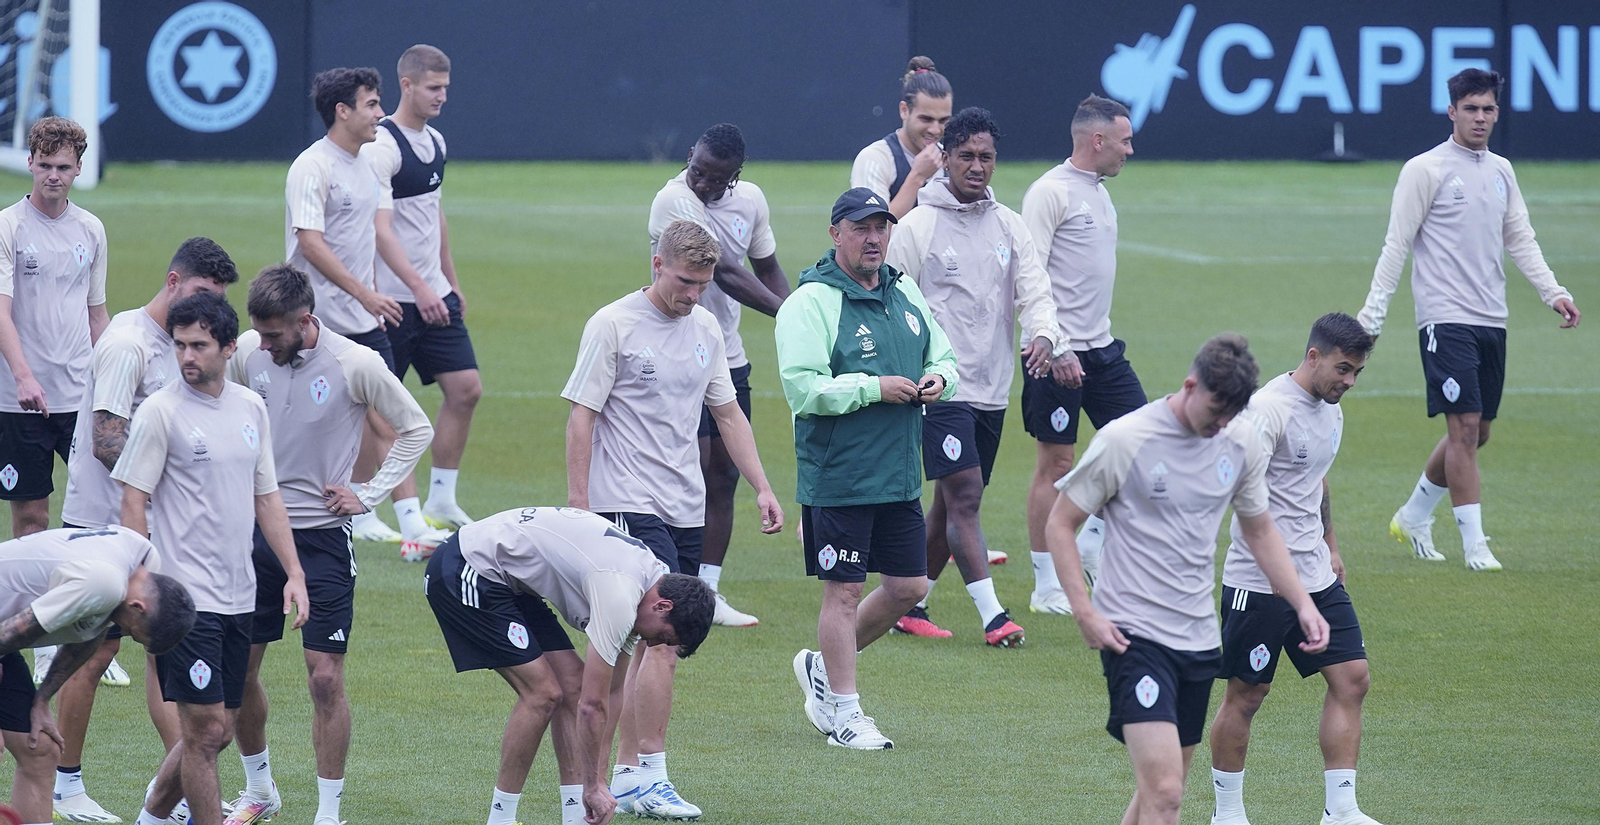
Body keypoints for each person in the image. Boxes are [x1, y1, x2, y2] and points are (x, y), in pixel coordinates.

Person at [1044, 334, 1329, 825]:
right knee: (1168, 791)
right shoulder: (1125, 439)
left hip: (1197, 639)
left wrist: (1303, 602)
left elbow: (1260, 528)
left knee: (1157, 791)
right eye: (1215, 410)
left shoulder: (1237, 442)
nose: (1220, 424)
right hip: (1133, 635)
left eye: (1230, 415)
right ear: (1189, 385)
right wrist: (1084, 610)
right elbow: (1059, 523)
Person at [562, 220, 782, 817]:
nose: (693, 294)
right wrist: (580, 507)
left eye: (704, 284)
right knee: (664, 638)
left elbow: (729, 415)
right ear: (657, 264)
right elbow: (581, 416)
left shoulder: (707, 325)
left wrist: (762, 486)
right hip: (626, 501)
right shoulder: (613, 324)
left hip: (686, 505)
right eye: (685, 281)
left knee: (654, 643)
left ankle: (625, 774)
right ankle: (645, 775)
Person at [223, 264, 433, 825]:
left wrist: (369, 494)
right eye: (258, 334)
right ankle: (259, 788)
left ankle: (329, 812)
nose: (263, 346)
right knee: (239, 671)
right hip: (254, 535)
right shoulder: (249, 353)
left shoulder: (355, 364)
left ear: (306, 321)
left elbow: (416, 427)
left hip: (321, 540)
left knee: (324, 677)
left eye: (274, 335)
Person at [1359, 68, 1580, 572]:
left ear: (1497, 113)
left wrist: (1553, 291)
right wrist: (1372, 316)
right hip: (1444, 318)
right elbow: (1397, 245)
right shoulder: (1425, 169)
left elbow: (1519, 237)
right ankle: (1475, 546)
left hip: (1491, 319)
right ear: (1452, 111)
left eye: (1488, 109)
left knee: (1477, 434)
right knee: (1463, 429)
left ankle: (1414, 515)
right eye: (1471, 109)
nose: (1480, 118)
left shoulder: (1501, 170)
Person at [49, 238, 238, 823]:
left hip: (148, 523)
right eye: (204, 295)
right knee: (93, 653)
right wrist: (181, 477)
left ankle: (180, 784)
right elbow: (108, 442)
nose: (209, 313)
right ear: (174, 280)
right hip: (101, 524)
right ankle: (66, 785)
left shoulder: (178, 345)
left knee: (165, 647)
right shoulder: (129, 345)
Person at [110, 293, 310, 825]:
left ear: (228, 347)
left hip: (240, 595)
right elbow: (133, 499)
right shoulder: (160, 412)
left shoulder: (250, 408)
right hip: (183, 600)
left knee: (220, 729)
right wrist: (144, 583)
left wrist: (294, 573)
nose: (186, 356)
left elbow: (266, 497)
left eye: (198, 345)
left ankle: (151, 817)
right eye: (179, 345)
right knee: (204, 734)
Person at [779, 188, 958, 749]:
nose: (875, 237)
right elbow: (802, 389)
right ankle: (846, 713)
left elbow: (945, 356)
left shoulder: (904, 293)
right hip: (841, 476)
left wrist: (939, 381)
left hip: (901, 472)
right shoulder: (810, 303)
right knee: (845, 593)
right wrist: (872, 388)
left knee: (907, 586)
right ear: (836, 234)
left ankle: (823, 667)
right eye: (861, 228)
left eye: (882, 226)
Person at [882, 107, 1059, 644]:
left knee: (948, 503)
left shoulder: (1009, 224)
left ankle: (911, 604)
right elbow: (890, 297)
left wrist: (1044, 334)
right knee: (965, 497)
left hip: (992, 386)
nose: (977, 166)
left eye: (986, 157)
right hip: (940, 387)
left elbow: (1036, 290)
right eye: (966, 156)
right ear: (946, 159)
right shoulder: (918, 225)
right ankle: (993, 616)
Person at [424, 506, 716, 825]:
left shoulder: (646, 589)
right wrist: (593, 784)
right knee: (544, 694)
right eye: (664, 636)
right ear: (662, 606)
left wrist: (600, 783)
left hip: (510, 579)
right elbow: (592, 707)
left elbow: (612, 692)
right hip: (468, 566)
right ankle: (500, 820)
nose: (658, 645)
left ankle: (576, 818)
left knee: (573, 688)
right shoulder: (620, 595)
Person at [1206, 313, 1383, 825]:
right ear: (1313, 356)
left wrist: (1331, 545)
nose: (1349, 382)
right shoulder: (1266, 412)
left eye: (1357, 373)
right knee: (1248, 694)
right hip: (1258, 582)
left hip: (1316, 575)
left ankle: (1342, 810)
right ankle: (1228, 814)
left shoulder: (1331, 410)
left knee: (1352, 679)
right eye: (1343, 369)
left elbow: (1317, 481)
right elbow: (1240, 495)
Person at [285, 66, 446, 558]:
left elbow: (365, 240)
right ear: (343, 111)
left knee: (387, 419)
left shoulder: (368, 162)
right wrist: (367, 294)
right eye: (372, 104)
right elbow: (310, 245)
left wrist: (370, 296)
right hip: (310, 324)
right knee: (307, 422)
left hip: (362, 318)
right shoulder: (312, 167)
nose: (381, 113)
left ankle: (402, 521)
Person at [646, 123, 789, 627]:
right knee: (687, 468)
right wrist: (787, 317)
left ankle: (706, 592)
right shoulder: (672, 201)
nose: (703, 184)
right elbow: (725, 270)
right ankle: (668, 585)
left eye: (716, 178)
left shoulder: (750, 201)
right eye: (698, 170)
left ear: (736, 176)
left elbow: (766, 266)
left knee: (724, 474)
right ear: (690, 156)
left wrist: (796, 311)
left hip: (726, 356)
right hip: (673, 357)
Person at [1020, 94, 1148, 614]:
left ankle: (1092, 542)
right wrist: (1058, 347)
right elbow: (1028, 279)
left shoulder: (1099, 192)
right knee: (1057, 462)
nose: (1131, 151)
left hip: (1102, 350)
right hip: (1054, 354)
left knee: (1144, 447)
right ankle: (1046, 583)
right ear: (1097, 140)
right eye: (1125, 141)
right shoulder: (1049, 193)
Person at [363, 44, 482, 538]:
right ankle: (398, 519)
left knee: (466, 389)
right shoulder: (382, 147)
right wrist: (418, 287)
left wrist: (450, 283)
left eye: (446, 88)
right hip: (392, 301)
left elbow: (434, 217)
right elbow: (379, 229)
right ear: (407, 85)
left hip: (434, 296)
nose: (442, 96)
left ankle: (442, 499)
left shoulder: (437, 143)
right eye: (434, 88)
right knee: (382, 411)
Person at [0, 525, 195, 825]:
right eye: (133, 631)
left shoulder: (143, 564)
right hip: (5, 631)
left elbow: (93, 630)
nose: (126, 633)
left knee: (39, 748)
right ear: (137, 607)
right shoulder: (103, 582)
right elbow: (17, 629)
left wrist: (42, 700)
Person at [0, 116, 109, 538]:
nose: (53, 176)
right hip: (19, 400)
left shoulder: (90, 229)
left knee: (103, 506)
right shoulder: (9, 226)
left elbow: (96, 314)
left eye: (63, 167)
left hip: (80, 395)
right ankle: (30, 605)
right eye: (45, 165)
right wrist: (24, 378)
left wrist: (117, 379)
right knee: (32, 519)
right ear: (29, 162)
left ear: (79, 168)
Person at [850, 56, 952, 220]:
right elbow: (873, 236)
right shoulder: (875, 159)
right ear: (904, 110)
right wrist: (917, 177)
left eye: (943, 121)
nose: (935, 130)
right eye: (926, 119)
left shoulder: (951, 161)